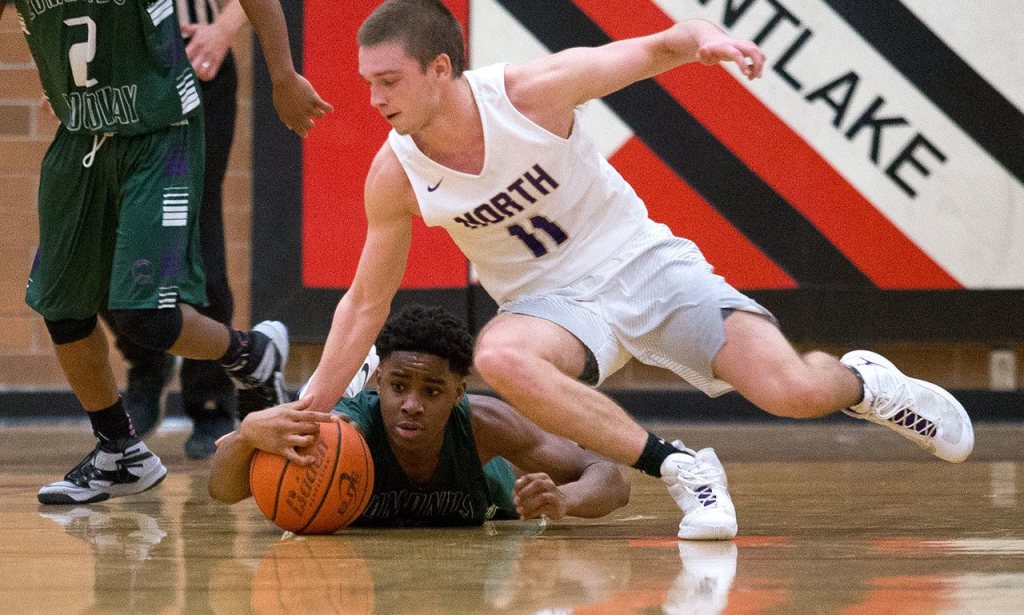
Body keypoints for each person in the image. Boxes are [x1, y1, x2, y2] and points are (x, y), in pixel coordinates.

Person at [297, 0, 973, 539]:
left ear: (439, 69)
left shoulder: (529, 93)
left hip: (646, 264)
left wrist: (705, 37)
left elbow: (659, 47)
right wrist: (310, 406)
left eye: (389, 81)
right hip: (556, 305)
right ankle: (680, 465)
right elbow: (364, 302)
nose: (375, 99)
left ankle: (864, 383)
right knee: (500, 353)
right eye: (368, 84)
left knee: (791, 390)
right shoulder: (395, 174)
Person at [3, 0, 331, 505]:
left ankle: (248, 359)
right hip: (81, 134)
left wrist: (283, 76)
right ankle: (119, 450)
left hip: (160, 132)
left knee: (145, 313)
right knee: (61, 305)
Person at [209, 305, 631, 526]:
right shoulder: (342, 429)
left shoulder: (484, 426)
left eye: (431, 391)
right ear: (377, 383)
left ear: (457, 392)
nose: (411, 404)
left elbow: (609, 474)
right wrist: (246, 436)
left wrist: (565, 500)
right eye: (397, 387)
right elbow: (223, 492)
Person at [103, 0, 252, 460]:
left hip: (194, 57)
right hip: (109, 73)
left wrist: (224, 28)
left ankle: (209, 400)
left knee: (195, 232)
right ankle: (147, 359)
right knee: (99, 240)